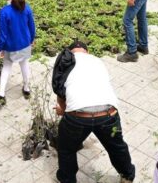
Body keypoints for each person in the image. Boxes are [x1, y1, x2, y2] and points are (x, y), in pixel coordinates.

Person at [52, 40, 136, 183]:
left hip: (78, 117)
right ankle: (127, 176)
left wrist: (63, 110)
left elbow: (59, 91)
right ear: (87, 51)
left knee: (66, 148)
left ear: (70, 51)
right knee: (117, 146)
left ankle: (67, 179)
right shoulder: (97, 61)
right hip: (108, 113)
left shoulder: (65, 61)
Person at [0, 0, 36, 107]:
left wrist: (0, 48)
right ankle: (26, 88)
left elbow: (2, 33)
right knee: (24, 65)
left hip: (10, 46)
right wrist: (32, 38)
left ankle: (1, 94)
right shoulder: (26, 6)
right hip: (25, 43)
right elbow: (31, 25)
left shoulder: (4, 11)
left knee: (7, 67)